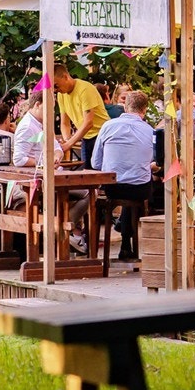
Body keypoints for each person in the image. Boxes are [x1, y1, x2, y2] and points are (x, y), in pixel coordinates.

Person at [90, 90, 156, 261]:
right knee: (139, 184)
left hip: (113, 187)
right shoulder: (150, 131)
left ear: (125, 106)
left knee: (126, 182)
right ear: (145, 109)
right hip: (139, 189)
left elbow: (95, 163)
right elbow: (151, 160)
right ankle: (126, 242)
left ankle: (123, 240)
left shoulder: (108, 126)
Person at [53, 64, 110, 166]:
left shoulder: (85, 89)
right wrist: (67, 140)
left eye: (56, 85)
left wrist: (68, 144)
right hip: (86, 137)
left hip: (102, 135)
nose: (54, 89)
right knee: (87, 173)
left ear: (65, 76)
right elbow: (65, 123)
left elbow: (88, 122)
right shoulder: (61, 95)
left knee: (101, 172)